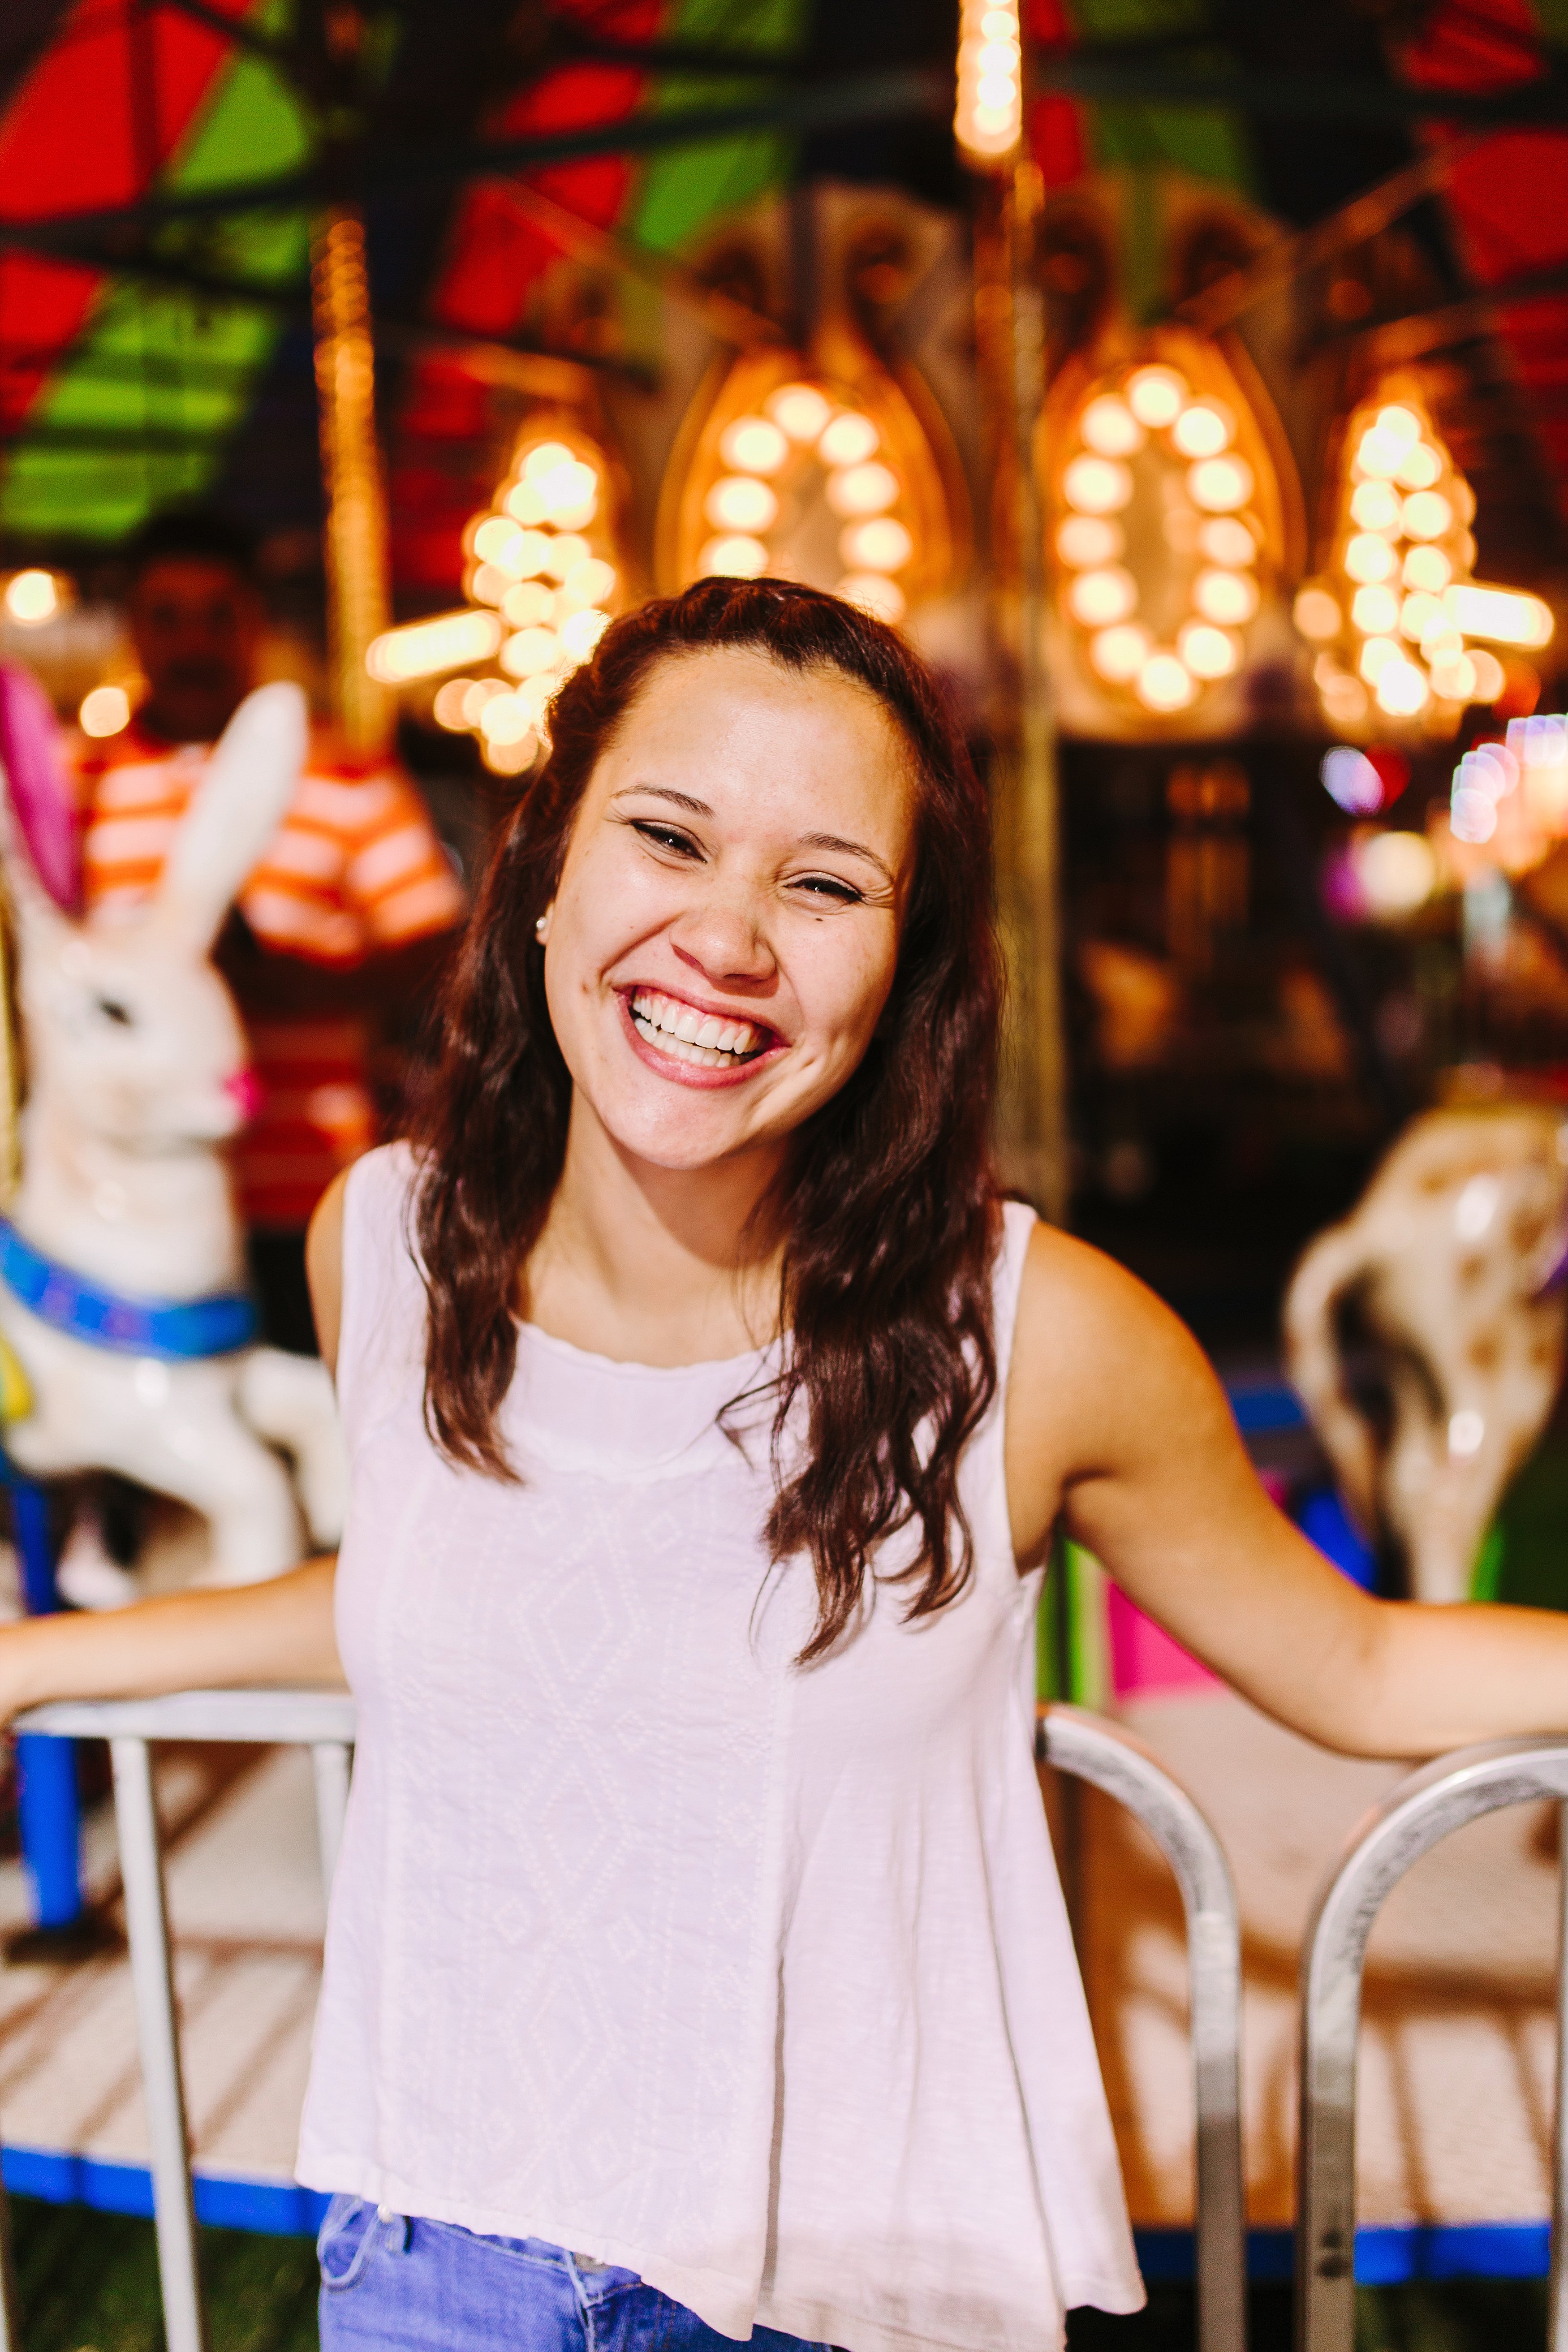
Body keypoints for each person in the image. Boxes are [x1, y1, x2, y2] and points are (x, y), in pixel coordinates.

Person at [6, 577, 1568, 2352]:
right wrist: (39, 1660)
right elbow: (450, 1587)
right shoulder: (388, 1247)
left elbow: (1354, 1660)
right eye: (668, 836)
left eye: (822, 883)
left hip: (838, 2298)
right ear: (539, 879)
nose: (728, 939)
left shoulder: (1029, 1332)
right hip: (434, 2260)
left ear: (902, 967)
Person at [69, 505, 463, 1352]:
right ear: (132, 627)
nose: (193, 642)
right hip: (129, 1193)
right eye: (166, 616)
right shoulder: (79, 784)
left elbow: (443, 941)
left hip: (305, 1186)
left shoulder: (345, 771)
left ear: (255, 621)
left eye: (218, 614)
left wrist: (312, 987)